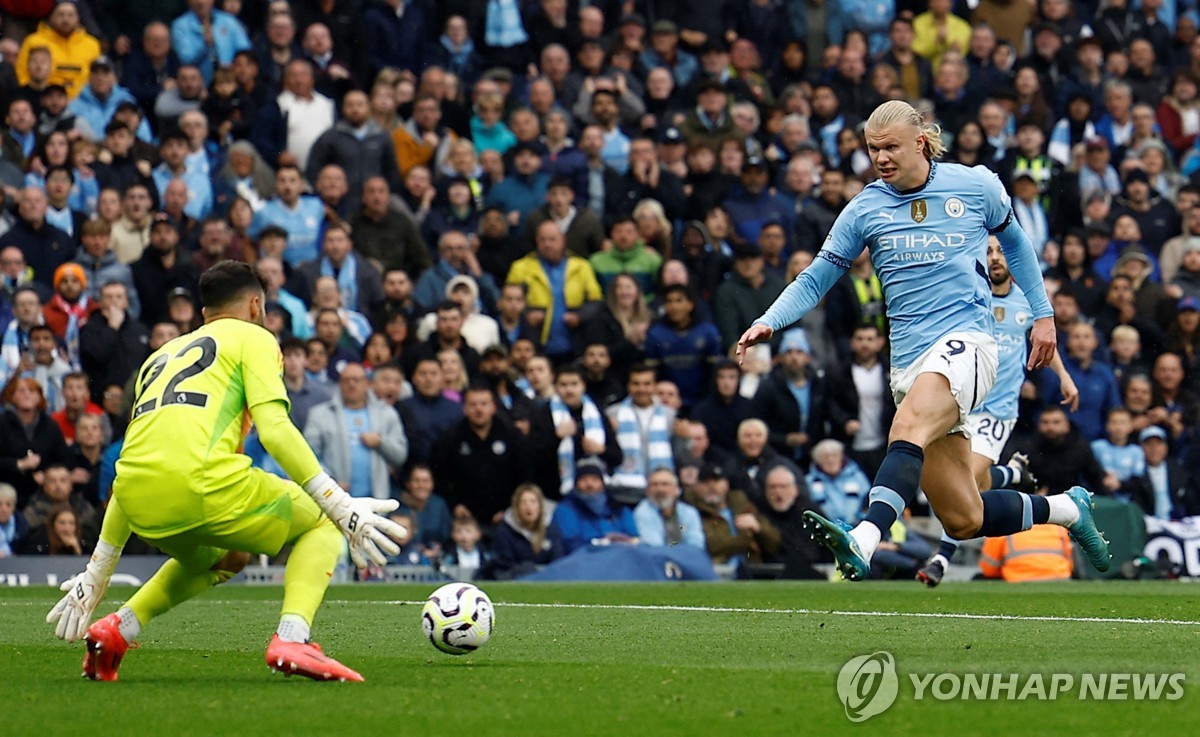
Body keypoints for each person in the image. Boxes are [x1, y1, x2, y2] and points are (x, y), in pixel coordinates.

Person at [736, 100, 1110, 581]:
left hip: (970, 343)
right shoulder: (866, 207)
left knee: (906, 427)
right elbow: (816, 278)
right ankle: (1066, 510)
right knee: (963, 515)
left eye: (890, 146)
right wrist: (770, 319)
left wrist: (1044, 314)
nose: (881, 158)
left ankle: (864, 539)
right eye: (873, 149)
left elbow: (1015, 243)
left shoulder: (975, 185)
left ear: (920, 142)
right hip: (908, 361)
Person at [46, 261, 408, 682]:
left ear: (203, 315)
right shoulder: (254, 337)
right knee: (323, 523)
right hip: (203, 486)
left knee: (229, 558)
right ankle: (293, 637)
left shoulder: (158, 357)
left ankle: (118, 629)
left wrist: (98, 571)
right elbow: (275, 430)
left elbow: (137, 462)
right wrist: (339, 505)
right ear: (256, 305)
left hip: (138, 505)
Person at [917, 237, 1081, 587]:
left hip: (997, 412)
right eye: (987, 251)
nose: (994, 258)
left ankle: (941, 559)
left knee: (966, 482)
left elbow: (1046, 345)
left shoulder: (1027, 302)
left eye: (1000, 251)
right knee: (965, 480)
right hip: (962, 402)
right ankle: (1012, 474)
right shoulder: (971, 300)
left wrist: (1065, 378)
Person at [303, 363, 409, 500]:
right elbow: (309, 457)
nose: (351, 384)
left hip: (376, 500)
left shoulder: (387, 414)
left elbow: (400, 455)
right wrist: (329, 481)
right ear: (339, 384)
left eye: (357, 380)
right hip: (335, 501)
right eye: (346, 380)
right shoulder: (319, 414)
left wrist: (381, 442)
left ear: (367, 384)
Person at [605, 365, 676, 506]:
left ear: (654, 386)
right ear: (628, 386)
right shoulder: (613, 413)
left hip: (659, 489)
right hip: (625, 490)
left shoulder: (669, 415)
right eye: (636, 384)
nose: (641, 389)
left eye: (646, 384)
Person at [550, 459, 640, 554]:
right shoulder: (565, 510)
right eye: (584, 480)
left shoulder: (619, 509)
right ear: (576, 484)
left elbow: (634, 538)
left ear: (602, 484)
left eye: (594, 480)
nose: (589, 484)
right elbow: (571, 544)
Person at [489, 483, 564, 579]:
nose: (528, 507)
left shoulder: (552, 530)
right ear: (516, 507)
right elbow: (504, 565)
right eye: (523, 502)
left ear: (540, 506)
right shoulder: (504, 531)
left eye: (533, 502)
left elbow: (558, 561)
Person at [632, 468, 706, 551]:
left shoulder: (689, 512)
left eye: (665, 484)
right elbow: (654, 547)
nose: (659, 489)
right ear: (647, 491)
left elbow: (696, 545)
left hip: (687, 559)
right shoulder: (642, 512)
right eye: (654, 484)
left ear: (677, 489)